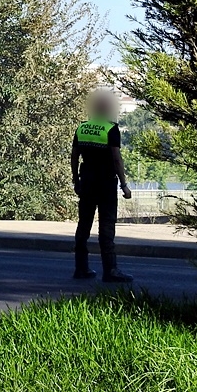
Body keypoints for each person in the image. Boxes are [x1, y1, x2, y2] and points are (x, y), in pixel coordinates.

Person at [70, 89, 133, 282]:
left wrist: (76, 180)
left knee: (83, 226)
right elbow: (116, 159)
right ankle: (110, 270)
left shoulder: (82, 128)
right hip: (105, 183)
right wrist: (124, 184)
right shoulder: (110, 129)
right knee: (106, 226)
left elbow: (74, 157)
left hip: (87, 181)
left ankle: (81, 268)